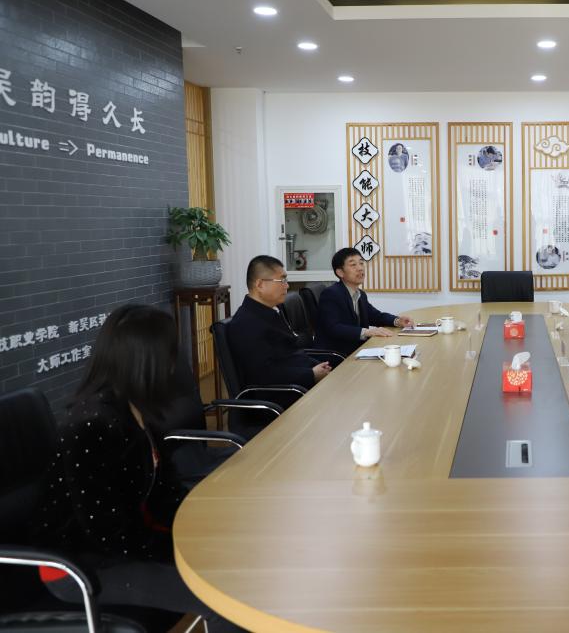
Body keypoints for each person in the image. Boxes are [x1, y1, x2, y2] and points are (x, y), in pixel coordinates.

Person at [34, 305, 244, 632]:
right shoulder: (91, 426)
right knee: (222, 597)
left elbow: (165, 491)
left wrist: (201, 533)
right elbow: (106, 532)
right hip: (82, 566)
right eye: (171, 353)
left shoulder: (137, 411)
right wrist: (177, 549)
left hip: (128, 544)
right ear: (147, 360)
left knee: (234, 561)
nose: (176, 364)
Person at [228, 255, 331, 389]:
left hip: (299, 380)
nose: (287, 285)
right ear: (260, 285)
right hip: (284, 393)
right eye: (282, 280)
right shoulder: (246, 323)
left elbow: (290, 354)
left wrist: (318, 366)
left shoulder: (271, 310)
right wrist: (311, 374)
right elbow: (263, 374)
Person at [313, 247, 413, 357]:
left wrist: (397, 321)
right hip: (336, 355)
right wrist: (366, 332)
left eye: (361, 263)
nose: (360, 268)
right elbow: (333, 328)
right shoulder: (331, 294)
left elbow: (375, 316)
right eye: (353, 265)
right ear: (340, 272)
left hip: (355, 349)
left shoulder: (360, 294)